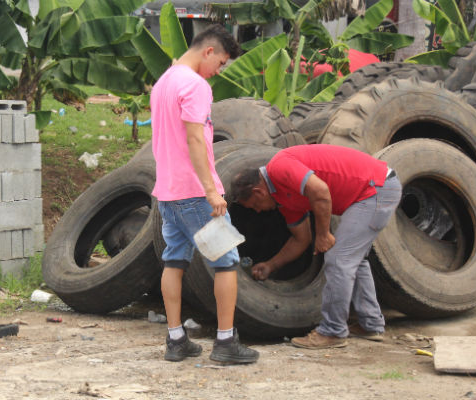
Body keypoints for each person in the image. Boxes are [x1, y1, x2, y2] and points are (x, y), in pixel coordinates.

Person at [151, 24, 258, 364]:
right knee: (226, 263)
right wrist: (211, 191)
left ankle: (176, 339)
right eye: (222, 62)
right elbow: (196, 139)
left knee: (174, 259)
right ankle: (226, 343)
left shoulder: (164, 82)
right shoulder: (195, 85)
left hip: (167, 192)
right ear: (208, 51)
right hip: (196, 194)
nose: (219, 70)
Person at [229, 144, 402, 349]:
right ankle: (371, 325)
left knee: (338, 260)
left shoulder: (279, 167)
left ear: (258, 192)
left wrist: (324, 234)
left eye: (255, 206)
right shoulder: (284, 200)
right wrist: (271, 265)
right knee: (353, 260)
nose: (258, 211)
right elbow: (301, 239)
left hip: (376, 188)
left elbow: (320, 191)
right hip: (370, 192)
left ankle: (332, 332)